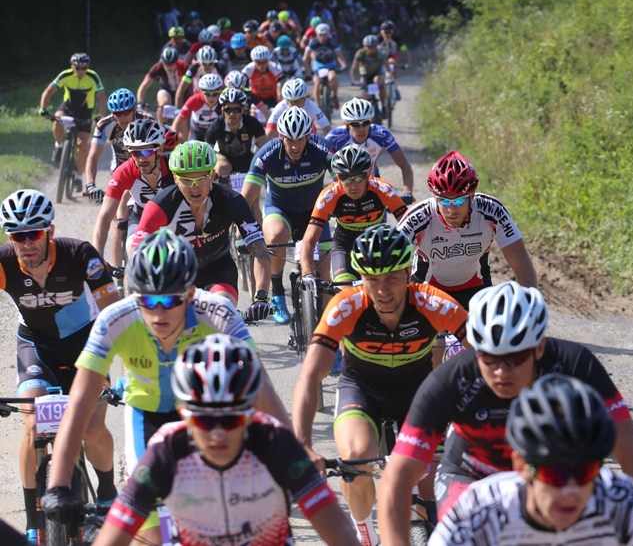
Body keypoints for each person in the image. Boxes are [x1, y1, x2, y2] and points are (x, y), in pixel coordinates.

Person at [42, 230, 291, 544]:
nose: (158, 311)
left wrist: (291, 454)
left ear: (189, 293)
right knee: (151, 533)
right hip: (146, 416)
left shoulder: (215, 312)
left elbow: (260, 387)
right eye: (148, 299)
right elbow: (78, 406)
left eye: (170, 299)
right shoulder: (114, 319)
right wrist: (59, 485)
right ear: (134, 294)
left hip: (212, 419)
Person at [377, 282, 633, 546]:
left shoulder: (574, 365)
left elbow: (631, 453)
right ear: (475, 350)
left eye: (515, 359)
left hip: (559, 471)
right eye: (490, 358)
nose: (502, 371)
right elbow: (397, 478)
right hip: (471, 474)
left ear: (539, 347)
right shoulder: (452, 380)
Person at [90, 334, 359, 546]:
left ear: (252, 409)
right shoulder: (167, 449)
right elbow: (115, 535)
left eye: (231, 418)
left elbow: (339, 532)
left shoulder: (275, 441)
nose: (218, 432)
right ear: (183, 411)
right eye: (205, 420)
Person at [293, 224, 469, 546]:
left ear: (408, 272)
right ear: (360, 278)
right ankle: (364, 531)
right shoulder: (346, 305)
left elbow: (486, 355)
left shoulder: (432, 303)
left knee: (429, 486)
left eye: (392, 278)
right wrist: (304, 445)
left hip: (418, 394)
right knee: (357, 459)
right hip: (361, 391)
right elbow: (310, 376)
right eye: (372, 279)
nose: (383, 290)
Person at [0, 190, 120, 543]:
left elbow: (113, 310)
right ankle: (35, 520)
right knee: (33, 424)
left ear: (49, 230)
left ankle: (108, 496)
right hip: (36, 346)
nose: (26, 243)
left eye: (33, 233)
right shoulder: (5, 263)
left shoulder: (79, 254)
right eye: (17, 235)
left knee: (91, 426)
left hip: (86, 345)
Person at [429, 374, 633, 545]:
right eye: (556, 474)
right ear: (522, 466)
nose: (571, 491)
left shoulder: (626, 504)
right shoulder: (477, 513)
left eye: (585, 472)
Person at [130, 141, 272, 316]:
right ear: (175, 179)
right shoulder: (160, 205)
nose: (194, 187)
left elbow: (259, 250)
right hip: (175, 273)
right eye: (186, 180)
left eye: (201, 178)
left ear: (212, 175)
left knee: (222, 310)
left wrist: (261, 297)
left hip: (218, 269)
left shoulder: (232, 201)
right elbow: (138, 251)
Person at [398, 150, 536, 309]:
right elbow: (394, 266)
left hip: (475, 291)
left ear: (472, 196)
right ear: (434, 197)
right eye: (443, 200)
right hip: (427, 289)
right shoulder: (418, 217)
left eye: (459, 201)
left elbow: (520, 262)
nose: (451, 209)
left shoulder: (492, 210)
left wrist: (530, 309)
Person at [240, 106, 333, 323]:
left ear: (308, 136)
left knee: (326, 278)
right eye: (289, 140)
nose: (294, 146)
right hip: (280, 210)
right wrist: (239, 230)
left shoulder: (322, 148)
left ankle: (331, 331)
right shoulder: (268, 154)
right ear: (280, 136)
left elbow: (345, 181)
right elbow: (246, 199)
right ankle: (278, 292)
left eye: (300, 140)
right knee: (275, 237)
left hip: (315, 213)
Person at [301, 144, 409, 285]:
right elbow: (309, 241)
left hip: (378, 247)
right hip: (345, 248)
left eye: (359, 177)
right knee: (344, 291)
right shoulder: (329, 196)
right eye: (346, 177)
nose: (353, 185)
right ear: (337, 177)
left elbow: (410, 224)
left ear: (368, 174)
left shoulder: (383, 189)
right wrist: (307, 273)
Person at [90, 118, 174, 267]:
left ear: (159, 149)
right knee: (136, 255)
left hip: (175, 219)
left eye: (147, 151)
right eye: (135, 152)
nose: (141, 158)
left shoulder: (174, 166)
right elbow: (104, 218)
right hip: (141, 219)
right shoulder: (125, 172)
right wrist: (97, 259)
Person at [326, 97, 415, 202]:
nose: (361, 129)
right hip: (343, 185)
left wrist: (407, 192)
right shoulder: (335, 137)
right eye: (355, 124)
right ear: (346, 124)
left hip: (371, 183)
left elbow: (404, 165)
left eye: (365, 123)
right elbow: (320, 164)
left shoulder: (381, 134)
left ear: (371, 121)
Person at [39, 52, 106, 189]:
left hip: (85, 111)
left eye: (84, 68)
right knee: (57, 119)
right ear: (72, 67)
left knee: (82, 145)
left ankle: (78, 176)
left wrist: (100, 116)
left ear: (88, 67)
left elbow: (102, 99)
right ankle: (58, 145)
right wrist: (43, 108)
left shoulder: (93, 77)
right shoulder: (65, 75)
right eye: (77, 68)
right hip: (68, 107)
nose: (81, 71)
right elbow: (49, 91)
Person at [83, 88, 151, 202]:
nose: (123, 118)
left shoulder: (146, 120)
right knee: (114, 212)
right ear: (112, 113)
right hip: (120, 170)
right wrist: (90, 185)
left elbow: (159, 150)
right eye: (118, 114)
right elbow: (93, 157)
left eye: (126, 113)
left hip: (145, 167)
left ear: (134, 109)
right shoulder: (104, 125)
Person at [204, 87, 267, 183]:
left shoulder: (251, 122)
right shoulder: (216, 125)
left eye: (236, 109)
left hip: (247, 160)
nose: (232, 114)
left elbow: (265, 146)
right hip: (225, 159)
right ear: (222, 111)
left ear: (242, 110)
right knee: (223, 167)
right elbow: (208, 152)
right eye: (228, 110)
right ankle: (225, 193)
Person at [265, 77, 331, 139]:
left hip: (308, 136)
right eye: (292, 102)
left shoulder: (311, 106)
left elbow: (327, 130)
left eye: (299, 101)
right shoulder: (281, 106)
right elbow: (268, 131)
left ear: (305, 98)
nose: (295, 105)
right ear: (286, 100)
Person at [135, 46, 187, 124]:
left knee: (180, 113)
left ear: (176, 62)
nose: (169, 66)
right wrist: (140, 103)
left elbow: (193, 83)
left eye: (172, 64)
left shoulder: (183, 66)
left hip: (182, 90)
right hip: (166, 90)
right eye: (166, 64)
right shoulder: (158, 67)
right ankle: (162, 128)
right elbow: (143, 86)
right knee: (163, 106)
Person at [303, 22, 346, 109]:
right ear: (317, 34)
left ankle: (335, 97)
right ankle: (317, 107)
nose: (323, 37)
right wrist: (306, 69)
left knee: (333, 77)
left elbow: (339, 55)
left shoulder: (332, 42)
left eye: (325, 34)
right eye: (320, 35)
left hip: (330, 65)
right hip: (318, 66)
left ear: (328, 34)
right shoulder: (313, 43)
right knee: (317, 83)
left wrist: (343, 64)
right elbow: (305, 58)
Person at [172, 72, 225, 140]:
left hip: (216, 131)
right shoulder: (195, 100)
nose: (211, 98)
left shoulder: (223, 100)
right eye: (207, 94)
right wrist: (171, 140)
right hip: (197, 131)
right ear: (201, 92)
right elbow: (178, 122)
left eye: (215, 94)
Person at [349, 34, 389, 117]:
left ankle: (384, 106)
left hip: (377, 72)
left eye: (373, 47)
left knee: (379, 83)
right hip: (365, 74)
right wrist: (353, 80)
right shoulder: (360, 53)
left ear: (376, 46)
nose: (371, 49)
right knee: (365, 94)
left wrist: (390, 76)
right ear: (364, 46)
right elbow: (353, 68)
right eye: (368, 47)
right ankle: (365, 111)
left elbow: (387, 66)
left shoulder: (381, 53)